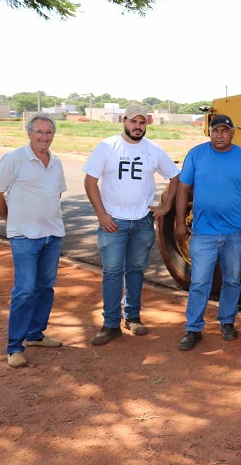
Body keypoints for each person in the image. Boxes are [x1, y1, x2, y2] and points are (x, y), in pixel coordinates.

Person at [83, 104, 180, 346]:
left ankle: (133, 317)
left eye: (142, 123)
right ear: (123, 121)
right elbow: (90, 182)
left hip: (142, 222)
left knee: (136, 271)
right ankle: (110, 324)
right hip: (113, 222)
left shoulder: (153, 150)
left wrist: (166, 207)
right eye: (133, 122)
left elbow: (175, 176)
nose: (138, 126)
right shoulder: (107, 146)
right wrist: (102, 215)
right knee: (113, 272)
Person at [0, 114, 67, 368]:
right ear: (29, 133)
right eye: (39, 132)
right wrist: (12, 221)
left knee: (45, 287)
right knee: (24, 290)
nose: (44, 137)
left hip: (52, 235)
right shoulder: (14, 159)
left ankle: (35, 335)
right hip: (24, 237)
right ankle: (14, 348)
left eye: (48, 132)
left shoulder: (56, 162)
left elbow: (55, 196)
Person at [175, 114, 241, 351]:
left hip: (234, 233)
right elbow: (183, 190)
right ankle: (193, 328)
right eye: (215, 130)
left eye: (224, 130)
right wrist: (180, 223)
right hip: (203, 233)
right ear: (209, 132)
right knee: (200, 282)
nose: (219, 135)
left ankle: (227, 321)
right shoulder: (196, 154)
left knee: (232, 280)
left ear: (232, 133)